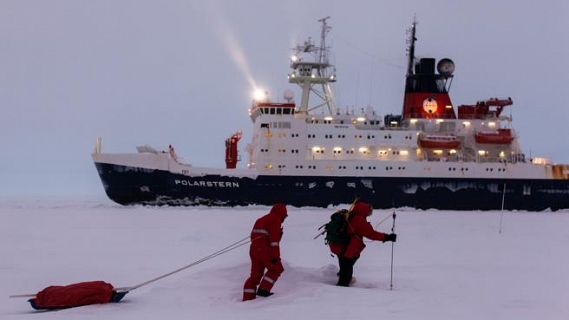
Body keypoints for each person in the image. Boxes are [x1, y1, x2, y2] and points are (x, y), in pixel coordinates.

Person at [329, 201, 396, 287]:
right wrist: (388, 237)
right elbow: (372, 234)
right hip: (346, 249)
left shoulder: (352, 215)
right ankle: (341, 288)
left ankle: (343, 275)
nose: (370, 213)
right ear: (364, 211)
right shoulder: (359, 220)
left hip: (339, 247)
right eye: (369, 211)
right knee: (346, 270)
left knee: (348, 261)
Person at [243, 203, 288, 301]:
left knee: (255, 276)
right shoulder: (275, 220)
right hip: (265, 250)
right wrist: (276, 257)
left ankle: (248, 299)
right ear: (281, 213)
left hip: (253, 250)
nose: (284, 219)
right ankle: (263, 290)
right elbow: (274, 242)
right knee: (277, 269)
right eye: (285, 216)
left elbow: (253, 235)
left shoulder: (261, 219)